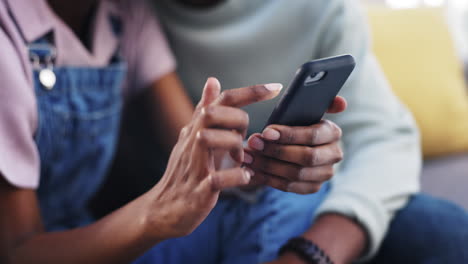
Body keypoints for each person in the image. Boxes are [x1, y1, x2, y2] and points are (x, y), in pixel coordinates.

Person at [0, 0, 347, 263]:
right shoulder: (8, 38)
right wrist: (156, 215)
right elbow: (17, 252)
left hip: (94, 231)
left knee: (288, 199)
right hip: (48, 249)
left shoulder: (125, 15)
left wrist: (272, 161)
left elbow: (204, 156)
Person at [130, 0, 468, 263]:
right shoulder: (127, 15)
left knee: (448, 233)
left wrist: (311, 254)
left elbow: (383, 138)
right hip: (185, 201)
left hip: (307, 197)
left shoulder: (321, 8)